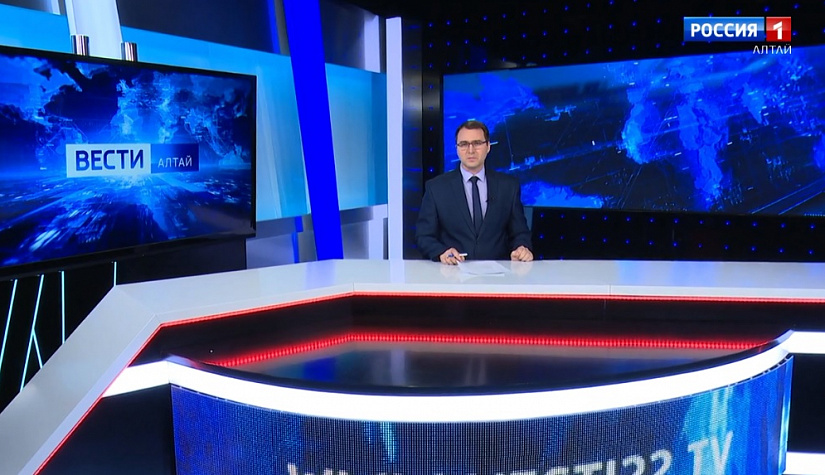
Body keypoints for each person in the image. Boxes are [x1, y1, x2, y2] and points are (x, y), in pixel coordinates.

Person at [415, 119, 533, 265]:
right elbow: (424, 236)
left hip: (498, 273)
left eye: (477, 143)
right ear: (457, 148)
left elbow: (520, 233)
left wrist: (522, 248)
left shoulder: (508, 186)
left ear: (488, 146)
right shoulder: (436, 188)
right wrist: (441, 252)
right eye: (464, 144)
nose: (470, 150)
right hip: (453, 271)